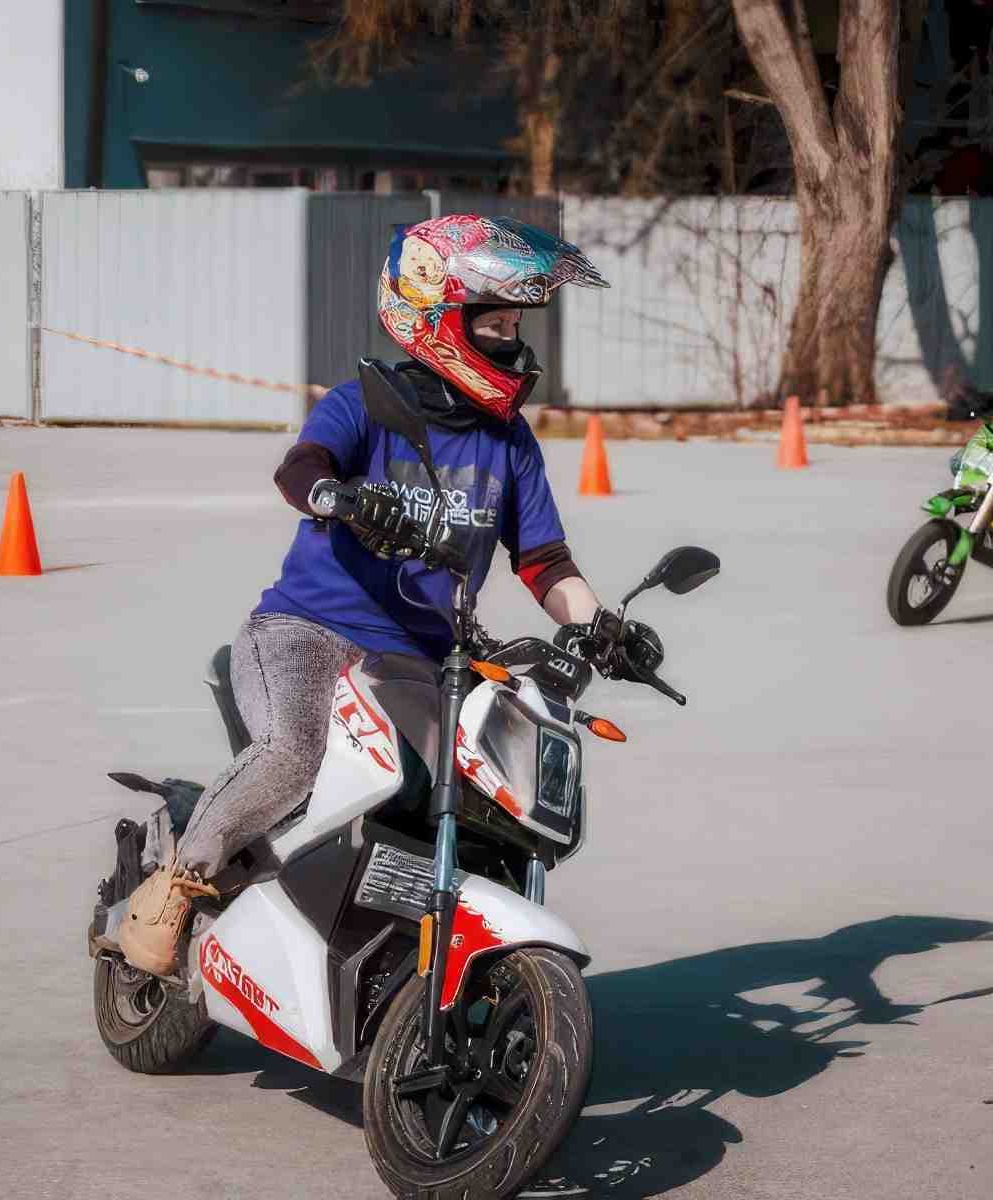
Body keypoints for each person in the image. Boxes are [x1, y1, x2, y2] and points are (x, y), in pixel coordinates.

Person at [119, 214, 649, 976]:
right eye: (492, 319)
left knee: (480, 793)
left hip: (419, 659)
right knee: (291, 752)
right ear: (437, 319)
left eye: (513, 320)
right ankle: (177, 883)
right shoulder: (366, 401)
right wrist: (340, 498)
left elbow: (544, 561)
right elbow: (301, 468)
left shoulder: (509, 440)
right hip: (306, 630)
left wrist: (603, 626)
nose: (510, 335)